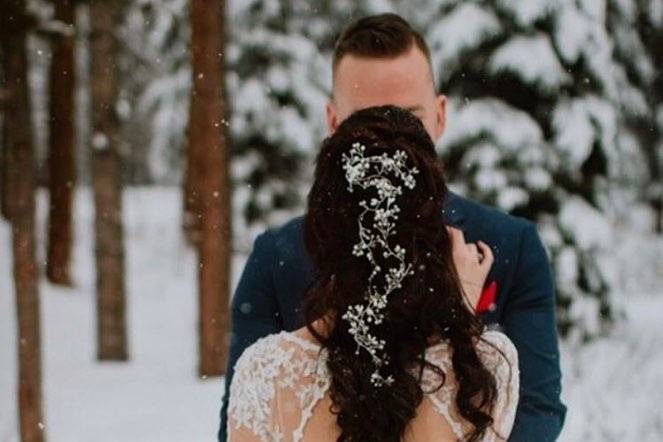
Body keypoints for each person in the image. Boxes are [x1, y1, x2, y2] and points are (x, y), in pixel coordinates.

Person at [218, 13, 565, 441]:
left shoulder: (512, 245)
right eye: (365, 123)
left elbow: (537, 410)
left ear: (439, 116)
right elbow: (245, 415)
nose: (390, 142)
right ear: (333, 125)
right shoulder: (277, 256)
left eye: (408, 119)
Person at [228, 105, 519, 442]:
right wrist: (460, 306)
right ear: (433, 238)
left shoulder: (266, 375)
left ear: (320, 234)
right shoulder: (488, 367)